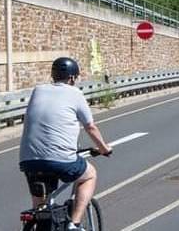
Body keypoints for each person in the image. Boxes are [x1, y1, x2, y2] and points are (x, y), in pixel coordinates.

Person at [19, 57, 112, 231]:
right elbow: (90, 127)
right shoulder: (75, 93)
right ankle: (74, 224)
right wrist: (104, 149)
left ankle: (40, 223)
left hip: (28, 159)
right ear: (72, 78)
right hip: (61, 159)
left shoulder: (38, 90)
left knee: (41, 210)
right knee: (89, 174)